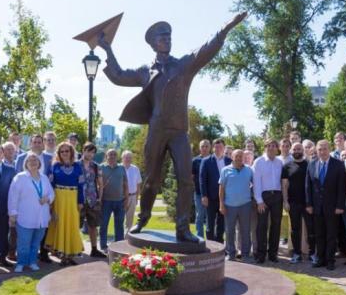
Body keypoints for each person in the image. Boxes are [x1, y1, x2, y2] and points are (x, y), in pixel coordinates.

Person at [96, 13, 246, 243]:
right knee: (152, 180)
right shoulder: (146, 70)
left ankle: (183, 228)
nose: (167, 40)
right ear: (153, 43)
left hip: (179, 132)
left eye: (169, 36)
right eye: (162, 37)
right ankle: (143, 217)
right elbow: (118, 76)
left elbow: (206, 49)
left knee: (186, 179)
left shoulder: (183, 65)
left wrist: (225, 29)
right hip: (156, 131)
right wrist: (107, 49)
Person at [8, 154, 54, 273]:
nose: (33, 162)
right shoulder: (20, 177)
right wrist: (12, 213)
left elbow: (51, 194)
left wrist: (47, 199)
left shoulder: (44, 178)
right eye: (30, 160)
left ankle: (32, 262)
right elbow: (13, 196)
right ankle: (21, 263)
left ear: (39, 163)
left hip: (41, 217)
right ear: (26, 163)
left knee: (36, 242)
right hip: (25, 216)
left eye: (35, 160)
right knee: (24, 242)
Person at [306, 140, 346, 270]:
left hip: (333, 207)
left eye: (324, 149)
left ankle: (330, 260)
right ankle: (320, 258)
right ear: (316, 151)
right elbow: (308, 186)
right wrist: (309, 204)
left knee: (331, 235)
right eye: (320, 149)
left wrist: (340, 206)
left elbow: (342, 187)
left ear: (329, 149)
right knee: (319, 234)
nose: (322, 152)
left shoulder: (339, 165)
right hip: (317, 207)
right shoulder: (311, 165)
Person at [45, 142, 85, 265]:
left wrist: (80, 201)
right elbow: (50, 185)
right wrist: (51, 203)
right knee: (60, 224)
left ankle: (70, 255)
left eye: (67, 151)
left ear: (71, 152)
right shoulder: (54, 166)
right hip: (59, 198)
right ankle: (62, 255)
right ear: (59, 153)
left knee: (72, 225)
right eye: (62, 151)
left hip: (73, 198)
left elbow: (81, 185)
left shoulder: (78, 166)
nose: (64, 153)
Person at [219, 149, 253, 260]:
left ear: (243, 157)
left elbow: (255, 184)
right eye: (236, 156)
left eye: (241, 156)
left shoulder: (249, 170)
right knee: (229, 231)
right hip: (229, 205)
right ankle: (231, 253)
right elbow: (222, 188)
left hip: (245, 205)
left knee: (245, 230)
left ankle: (246, 254)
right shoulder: (225, 170)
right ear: (232, 157)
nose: (239, 158)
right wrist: (221, 204)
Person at [253, 139, 284, 263]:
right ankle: (261, 254)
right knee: (262, 226)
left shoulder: (279, 162)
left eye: (274, 146)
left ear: (277, 148)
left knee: (276, 226)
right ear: (265, 148)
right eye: (269, 146)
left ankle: (273, 254)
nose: (271, 148)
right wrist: (259, 201)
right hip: (263, 196)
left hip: (277, 196)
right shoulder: (258, 162)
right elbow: (256, 183)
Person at [200, 139, 231, 243]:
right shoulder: (206, 161)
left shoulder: (229, 161)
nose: (218, 149)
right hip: (210, 197)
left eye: (220, 147)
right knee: (210, 223)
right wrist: (204, 196)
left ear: (224, 148)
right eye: (216, 147)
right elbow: (202, 179)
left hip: (225, 197)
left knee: (221, 224)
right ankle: (210, 245)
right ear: (213, 148)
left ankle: (220, 245)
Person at [283, 142, 309, 264]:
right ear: (291, 151)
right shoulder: (286, 166)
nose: (297, 151)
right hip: (292, 203)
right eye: (294, 149)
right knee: (295, 229)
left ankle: (312, 252)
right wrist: (285, 201)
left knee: (310, 228)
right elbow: (284, 185)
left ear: (302, 150)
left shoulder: (309, 165)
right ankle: (297, 253)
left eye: (299, 149)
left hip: (307, 203)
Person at [99, 149, 129, 252]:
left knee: (119, 224)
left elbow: (125, 184)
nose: (112, 156)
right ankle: (103, 246)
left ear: (117, 157)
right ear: (106, 156)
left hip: (120, 201)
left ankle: (119, 246)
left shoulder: (121, 168)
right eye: (110, 154)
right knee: (104, 224)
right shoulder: (101, 167)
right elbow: (97, 184)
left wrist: (126, 199)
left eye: (114, 155)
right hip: (106, 201)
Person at [79, 143, 104, 258]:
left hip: (93, 200)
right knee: (76, 225)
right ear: (83, 150)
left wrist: (99, 198)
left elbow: (100, 184)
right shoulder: (75, 165)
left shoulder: (96, 166)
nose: (90, 154)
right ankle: (75, 248)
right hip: (78, 199)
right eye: (88, 151)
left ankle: (94, 249)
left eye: (93, 152)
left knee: (93, 225)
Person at [191, 140, 212, 238]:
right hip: (199, 194)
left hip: (212, 194)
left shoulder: (213, 160)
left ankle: (210, 239)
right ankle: (199, 238)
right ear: (200, 148)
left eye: (206, 146)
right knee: (200, 216)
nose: (204, 148)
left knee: (210, 218)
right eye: (202, 146)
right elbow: (191, 176)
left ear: (210, 147)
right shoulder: (195, 161)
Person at [122, 150, 142, 231]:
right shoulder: (119, 168)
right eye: (126, 157)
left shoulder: (135, 169)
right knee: (120, 218)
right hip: (121, 197)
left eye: (130, 157)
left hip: (133, 196)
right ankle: (119, 239)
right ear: (122, 158)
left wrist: (137, 198)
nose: (128, 159)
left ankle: (127, 238)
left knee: (130, 220)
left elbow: (138, 184)